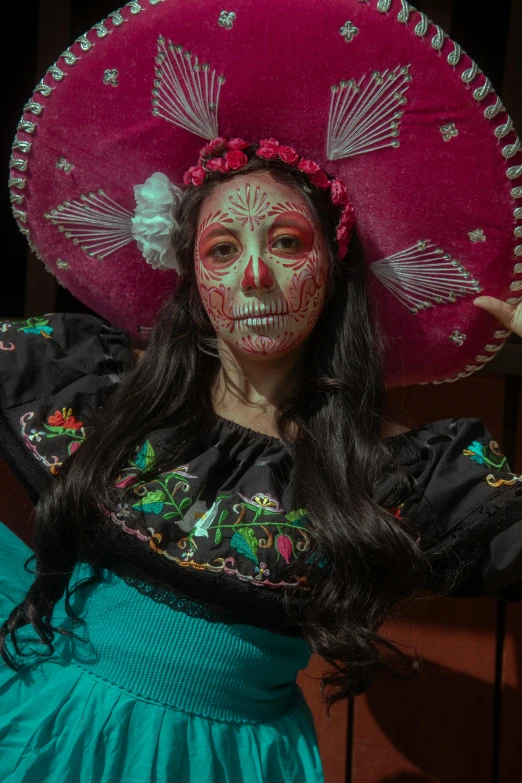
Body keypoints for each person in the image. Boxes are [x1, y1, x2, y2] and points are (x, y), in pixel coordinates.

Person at [1, 1, 522, 781]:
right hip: (48, 729)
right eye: (221, 247)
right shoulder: (97, 395)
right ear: (189, 276)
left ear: (333, 269)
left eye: (285, 242)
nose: (254, 274)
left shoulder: (388, 483)